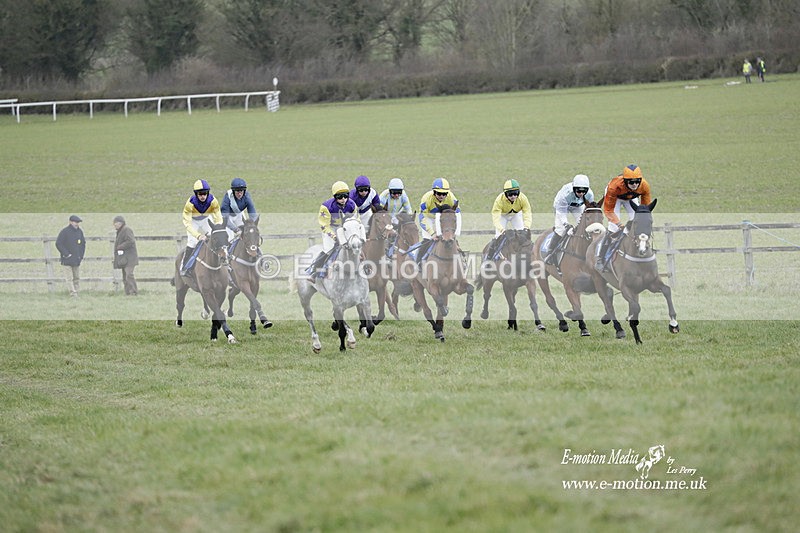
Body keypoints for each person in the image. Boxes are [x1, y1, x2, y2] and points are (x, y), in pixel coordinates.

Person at [594, 164, 652, 272]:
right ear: (625, 181)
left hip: (631, 198)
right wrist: (619, 224)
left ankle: (640, 250)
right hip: (615, 198)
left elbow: (645, 209)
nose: (634, 184)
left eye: (637, 181)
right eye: (631, 182)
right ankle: (600, 258)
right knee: (613, 228)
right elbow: (608, 210)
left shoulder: (644, 186)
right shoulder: (614, 186)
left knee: (637, 223)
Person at [306, 181, 357, 276]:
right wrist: (333, 236)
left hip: (345, 228)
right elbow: (324, 226)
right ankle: (314, 270)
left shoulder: (352, 205)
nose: (343, 199)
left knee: (356, 243)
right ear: (334, 196)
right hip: (330, 228)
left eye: (346, 196)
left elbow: (356, 219)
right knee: (328, 249)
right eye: (340, 197)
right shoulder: (326, 207)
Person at [543, 174, 595, 265]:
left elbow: (589, 210)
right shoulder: (565, 194)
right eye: (579, 191)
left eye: (584, 192)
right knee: (561, 229)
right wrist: (566, 225)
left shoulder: (590, 194)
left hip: (577, 206)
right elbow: (561, 212)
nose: (581, 194)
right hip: (562, 207)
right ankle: (550, 253)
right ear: (574, 189)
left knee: (585, 226)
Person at [180, 179, 223, 276]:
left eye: (205, 193)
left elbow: (218, 217)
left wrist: (218, 227)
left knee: (218, 237)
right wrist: (198, 235)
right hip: (193, 221)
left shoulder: (213, 201)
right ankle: (185, 267)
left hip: (206, 219)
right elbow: (187, 223)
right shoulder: (190, 204)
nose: (203, 196)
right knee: (192, 242)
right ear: (196, 194)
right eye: (200, 194)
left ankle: (225, 263)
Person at [484, 179, 533, 261]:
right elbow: (496, 216)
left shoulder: (523, 198)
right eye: (510, 194)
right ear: (505, 194)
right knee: (498, 236)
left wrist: (526, 227)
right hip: (502, 216)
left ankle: (529, 257)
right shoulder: (499, 200)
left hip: (516, 215)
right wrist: (501, 229)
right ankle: (489, 259)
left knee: (523, 237)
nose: (513, 196)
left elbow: (527, 213)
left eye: (516, 193)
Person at [417, 177, 461, 261]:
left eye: (444, 194)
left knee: (450, 238)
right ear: (434, 192)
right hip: (429, 219)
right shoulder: (426, 199)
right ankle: (418, 261)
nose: (441, 196)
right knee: (427, 239)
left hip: (444, 219)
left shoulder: (452, 198)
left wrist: (455, 233)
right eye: (439, 193)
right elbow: (423, 217)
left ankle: (461, 260)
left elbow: (457, 215)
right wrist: (432, 233)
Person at [55, 215, 86, 297]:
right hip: (67, 260)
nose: (77, 224)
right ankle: (72, 293)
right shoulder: (65, 232)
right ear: (70, 222)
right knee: (69, 278)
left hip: (76, 259)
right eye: (75, 222)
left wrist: (81, 255)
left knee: (76, 277)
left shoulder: (80, 232)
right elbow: (58, 243)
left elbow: (83, 244)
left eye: (78, 222)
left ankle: (77, 291)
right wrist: (66, 254)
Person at [113, 215, 139, 296]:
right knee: (125, 276)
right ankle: (128, 292)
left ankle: (133, 292)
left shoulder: (126, 230)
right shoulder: (121, 231)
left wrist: (120, 247)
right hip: (125, 258)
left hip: (130, 258)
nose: (114, 225)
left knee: (129, 275)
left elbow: (131, 241)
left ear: (120, 223)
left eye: (115, 223)